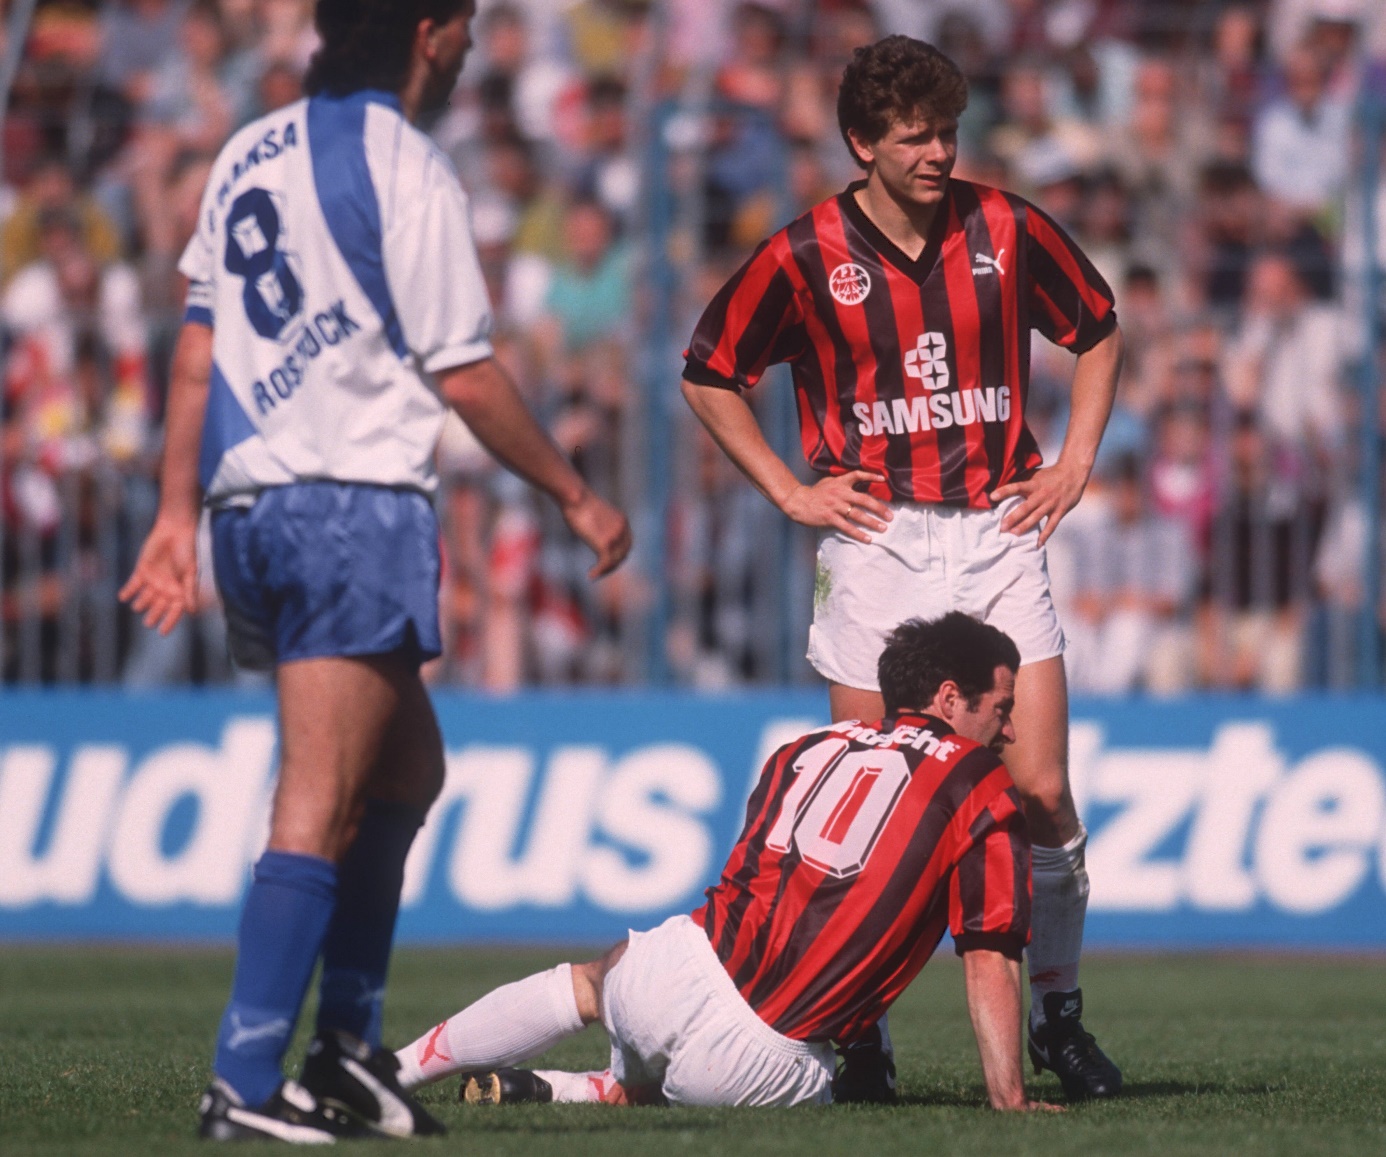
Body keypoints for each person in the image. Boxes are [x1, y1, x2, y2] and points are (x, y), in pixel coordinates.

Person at [118, 0, 631, 1142]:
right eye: (466, 25)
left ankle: (347, 1054)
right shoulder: (406, 164)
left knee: (405, 767)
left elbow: (197, 350)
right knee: (322, 792)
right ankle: (243, 1083)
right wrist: (576, 492)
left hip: (253, 507)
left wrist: (173, 513)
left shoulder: (248, 150)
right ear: (429, 32)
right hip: (345, 507)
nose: (471, 45)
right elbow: (468, 374)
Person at [678, 36, 1124, 1101]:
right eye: (915, 136)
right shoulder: (803, 253)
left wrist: (1075, 462)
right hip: (877, 539)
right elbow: (709, 372)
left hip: (997, 527)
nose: (937, 153)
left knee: (1041, 787)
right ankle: (861, 1037)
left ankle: (1060, 1016)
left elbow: (1099, 329)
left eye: (947, 132)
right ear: (861, 144)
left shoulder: (1006, 227)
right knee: (873, 792)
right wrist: (789, 491)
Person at [394, 614, 1058, 1113]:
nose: (1009, 731)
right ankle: (588, 1088)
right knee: (712, 1079)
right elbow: (989, 954)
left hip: (670, 972)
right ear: (949, 698)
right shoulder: (980, 781)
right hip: (765, 1054)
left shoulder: (803, 747)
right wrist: (1009, 1097)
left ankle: (399, 1070)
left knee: (592, 982)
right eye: (1002, 709)